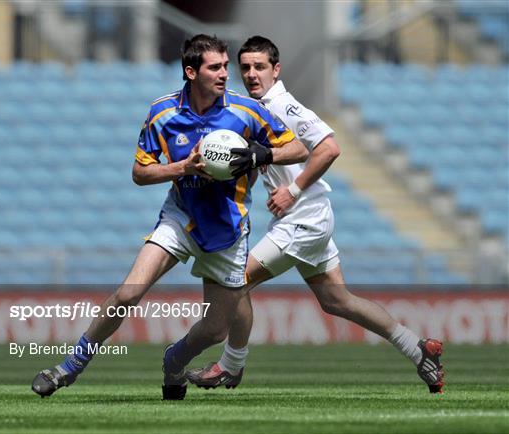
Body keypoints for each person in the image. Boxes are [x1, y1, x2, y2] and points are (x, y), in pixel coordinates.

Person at [31, 34, 309, 400]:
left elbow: (299, 147)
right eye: (215, 67)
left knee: (214, 331)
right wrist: (181, 167)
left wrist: (262, 156)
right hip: (180, 218)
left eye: (226, 66)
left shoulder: (247, 111)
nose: (225, 73)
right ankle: (67, 368)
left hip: (227, 229)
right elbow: (139, 172)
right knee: (127, 294)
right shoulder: (163, 113)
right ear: (191, 72)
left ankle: (173, 362)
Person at [186, 36, 444, 393]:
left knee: (236, 282)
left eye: (259, 67)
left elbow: (328, 148)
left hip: (303, 218)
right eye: (244, 67)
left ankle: (230, 366)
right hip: (309, 217)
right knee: (338, 301)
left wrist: (292, 190)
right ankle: (418, 350)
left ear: (276, 70)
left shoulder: (284, 106)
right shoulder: (256, 107)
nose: (251, 74)